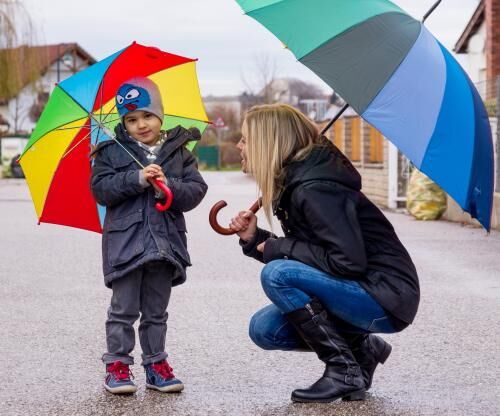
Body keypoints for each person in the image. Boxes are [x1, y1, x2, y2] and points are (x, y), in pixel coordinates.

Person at [229, 104, 419, 403]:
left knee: (277, 274)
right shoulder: (296, 183)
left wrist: (278, 248)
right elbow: (316, 257)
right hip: (362, 291)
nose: (239, 146)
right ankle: (362, 351)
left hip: (386, 295)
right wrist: (256, 240)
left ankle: (343, 371)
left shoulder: (316, 187)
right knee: (264, 330)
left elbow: (347, 262)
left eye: (245, 139)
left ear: (268, 141)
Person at [91, 77, 207, 394]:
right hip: (126, 244)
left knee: (156, 311)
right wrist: (137, 178)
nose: (141, 124)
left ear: (160, 115)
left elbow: (196, 190)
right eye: (131, 119)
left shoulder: (179, 152)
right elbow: (101, 189)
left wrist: (169, 186)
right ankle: (117, 365)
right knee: (123, 309)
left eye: (147, 115)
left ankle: (156, 365)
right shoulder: (110, 153)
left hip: (165, 244)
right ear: (123, 122)